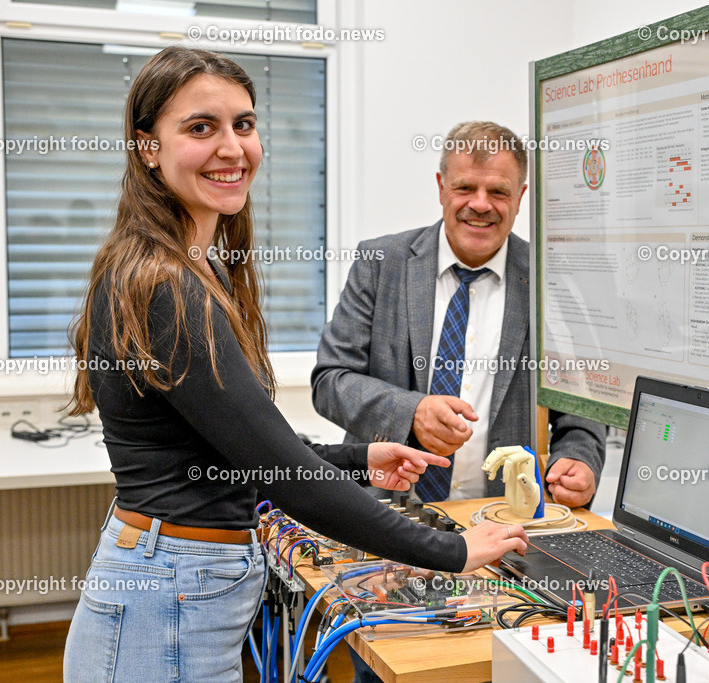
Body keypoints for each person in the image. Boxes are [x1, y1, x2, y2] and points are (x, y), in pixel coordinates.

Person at [61, 47, 528, 682]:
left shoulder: (195, 268)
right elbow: (278, 469)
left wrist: (361, 459)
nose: (232, 148)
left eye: (244, 125)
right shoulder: (163, 283)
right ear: (147, 146)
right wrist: (450, 550)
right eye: (201, 127)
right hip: (166, 598)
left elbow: (245, 442)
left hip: (182, 589)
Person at [312, 121, 606, 508]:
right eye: (465, 187)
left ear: (520, 197)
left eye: (498, 191)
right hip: (384, 515)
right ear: (441, 188)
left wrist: (580, 460)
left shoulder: (551, 279)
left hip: (504, 523)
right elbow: (330, 381)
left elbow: (581, 411)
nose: (480, 204)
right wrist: (410, 412)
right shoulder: (381, 264)